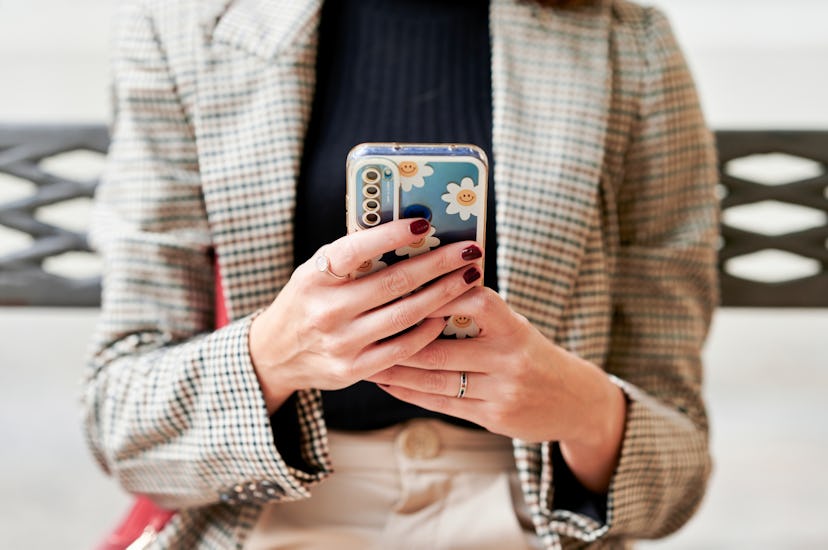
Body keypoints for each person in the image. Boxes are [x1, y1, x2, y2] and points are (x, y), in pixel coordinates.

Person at [82, 0, 718, 548]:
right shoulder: (182, 28)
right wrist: (272, 356)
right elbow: (122, 426)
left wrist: (581, 408)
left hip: (528, 513)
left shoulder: (628, 43)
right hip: (271, 507)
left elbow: (678, 472)